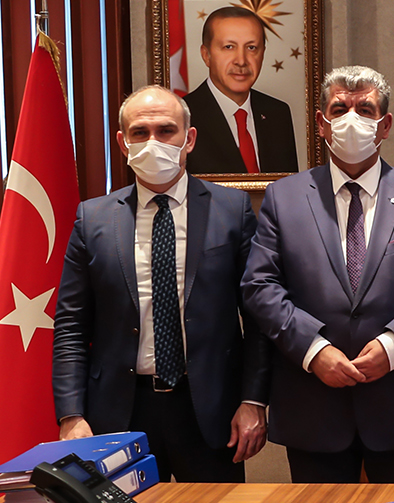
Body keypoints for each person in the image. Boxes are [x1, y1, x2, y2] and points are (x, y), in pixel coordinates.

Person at [241, 66, 394, 483]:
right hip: (313, 407)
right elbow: (260, 286)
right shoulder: (283, 197)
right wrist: (313, 349)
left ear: (385, 125)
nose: (351, 120)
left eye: (365, 109)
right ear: (322, 123)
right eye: (340, 109)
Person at [54, 85, 270, 482]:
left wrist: (253, 399)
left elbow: (257, 317)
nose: (153, 142)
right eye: (140, 132)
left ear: (189, 138)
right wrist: (71, 415)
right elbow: (71, 326)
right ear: (123, 142)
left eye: (166, 130)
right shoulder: (93, 219)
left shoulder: (232, 209)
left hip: (209, 409)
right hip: (119, 412)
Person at [185, 6, 298, 174]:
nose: (241, 60)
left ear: (263, 53)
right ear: (206, 55)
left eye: (251, 48)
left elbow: (289, 185)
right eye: (229, 47)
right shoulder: (183, 116)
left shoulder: (278, 113)